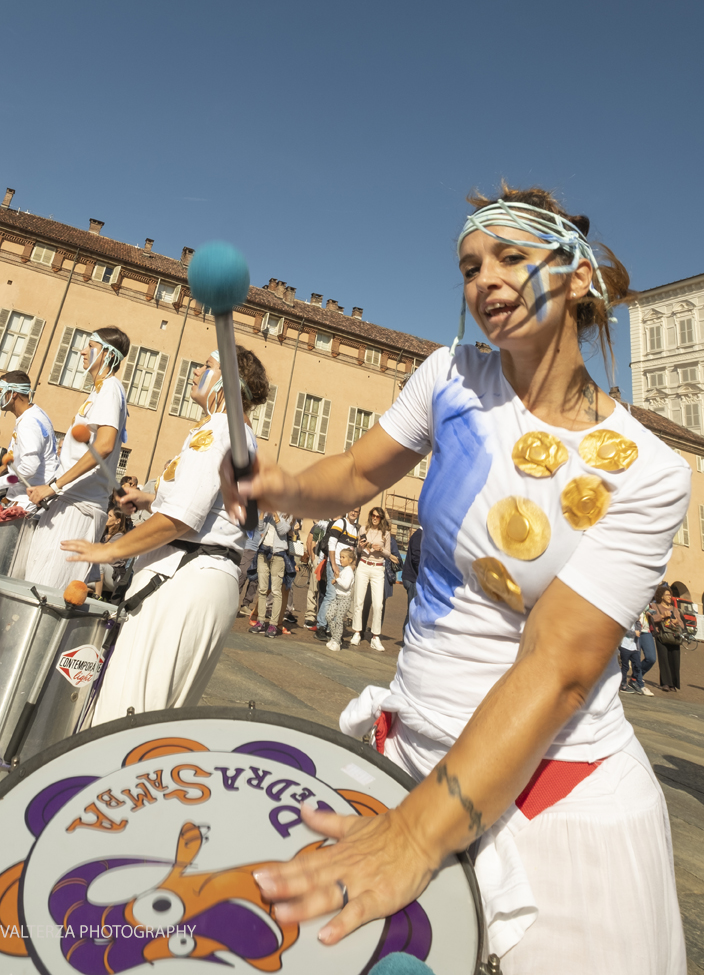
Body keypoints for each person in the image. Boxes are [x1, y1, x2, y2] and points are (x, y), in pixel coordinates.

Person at [222, 185, 690, 974]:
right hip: (407, 761)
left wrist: (415, 835)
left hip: (557, 803)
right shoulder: (449, 378)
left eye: (511, 257)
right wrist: (288, 486)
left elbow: (560, 669)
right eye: (471, 266)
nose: (484, 281)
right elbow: (357, 473)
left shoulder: (650, 470)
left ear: (577, 277)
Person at [63, 346, 269, 718]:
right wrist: (148, 499)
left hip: (187, 576)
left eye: (205, 366)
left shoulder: (221, 429)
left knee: (126, 713)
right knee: (149, 718)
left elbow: (182, 519)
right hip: (197, 574)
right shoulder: (230, 431)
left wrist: (111, 550)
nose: (194, 371)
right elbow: (202, 502)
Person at [23, 328, 130, 589]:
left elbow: (104, 446)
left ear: (107, 354)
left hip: (78, 506)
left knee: (47, 590)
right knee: (34, 581)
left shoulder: (110, 389)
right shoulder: (98, 391)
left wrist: (54, 485)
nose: (82, 351)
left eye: (90, 346)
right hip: (67, 501)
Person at [0, 371, 58, 509]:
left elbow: (29, 469)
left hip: (28, 502)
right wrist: (2, 469)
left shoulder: (28, 423)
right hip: (27, 500)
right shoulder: (35, 413)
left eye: (0, 392)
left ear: (13, 393)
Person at [315, 509, 360, 640]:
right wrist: (333, 564)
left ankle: (331, 628)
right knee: (330, 595)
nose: (354, 513)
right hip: (336, 564)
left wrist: (352, 566)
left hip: (346, 567)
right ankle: (321, 627)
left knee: (338, 598)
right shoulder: (340, 523)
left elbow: (353, 550)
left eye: (357, 511)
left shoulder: (355, 529)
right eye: (352, 510)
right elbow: (331, 544)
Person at [351, 507, 391, 651]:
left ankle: (375, 636)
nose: (375, 518)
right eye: (373, 515)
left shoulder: (386, 533)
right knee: (359, 600)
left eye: (378, 516)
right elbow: (359, 550)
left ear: (381, 518)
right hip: (364, 565)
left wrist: (381, 550)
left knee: (378, 604)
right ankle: (356, 632)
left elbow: (388, 553)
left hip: (378, 568)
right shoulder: (363, 529)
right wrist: (361, 547)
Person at [249, 511, 293, 638]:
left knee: (276, 590)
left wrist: (275, 515)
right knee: (262, 589)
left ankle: (274, 624)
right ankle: (261, 621)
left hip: (278, 555)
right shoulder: (267, 512)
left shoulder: (288, 514)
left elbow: (283, 531)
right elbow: (259, 528)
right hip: (263, 552)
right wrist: (263, 513)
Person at [649, 584, 684, 693]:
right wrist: (662, 616)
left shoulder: (675, 609)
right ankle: (666, 683)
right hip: (661, 636)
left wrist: (677, 621)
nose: (670, 597)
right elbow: (652, 619)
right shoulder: (655, 606)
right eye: (667, 595)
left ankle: (673, 684)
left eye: (670, 595)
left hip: (674, 636)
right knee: (664, 659)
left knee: (675, 660)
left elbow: (682, 624)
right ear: (661, 596)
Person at [326, 547, 358, 652]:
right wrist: (336, 582)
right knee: (329, 616)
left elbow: (346, 585)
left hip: (344, 599)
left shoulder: (349, 572)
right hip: (337, 597)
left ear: (350, 560)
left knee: (339, 619)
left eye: (343, 557)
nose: (341, 559)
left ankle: (336, 641)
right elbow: (340, 586)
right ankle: (335, 637)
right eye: (340, 557)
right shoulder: (344, 571)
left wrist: (338, 579)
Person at [304, 519, 329, 627]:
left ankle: (322, 617)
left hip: (328, 560)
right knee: (313, 588)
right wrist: (313, 558)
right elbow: (312, 541)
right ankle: (310, 615)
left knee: (324, 590)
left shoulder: (336, 525)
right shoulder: (320, 525)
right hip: (318, 559)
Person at [401, 526, 422, 634]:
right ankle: (405, 642)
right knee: (413, 612)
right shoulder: (419, 534)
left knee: (414, 611)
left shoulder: (421, 534)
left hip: (414, 578)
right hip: (414, 578)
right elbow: (416, 558)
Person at [618, 617, 646, 694]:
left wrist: (637, 621)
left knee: (637, 665)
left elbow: (639, 632)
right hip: (624, 646)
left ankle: (633, 680)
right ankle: (623, 684)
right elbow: (624, 630)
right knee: (625, 666)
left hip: (634, 647)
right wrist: (634, 633)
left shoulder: (637, 623)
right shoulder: (625, 620)